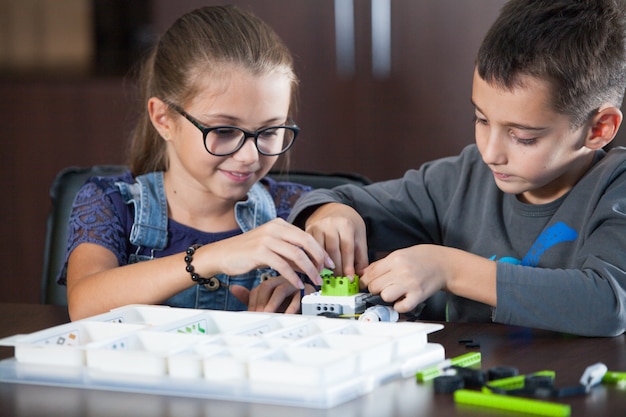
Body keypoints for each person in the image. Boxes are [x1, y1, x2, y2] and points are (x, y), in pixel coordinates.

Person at [287, 0, 626, 337]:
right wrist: (329, 214)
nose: (490, 152)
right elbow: (337, 198)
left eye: (523, 137)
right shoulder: (459, 181)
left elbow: (608, 303)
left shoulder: (616, 185)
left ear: (598, 129)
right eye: (481, 119)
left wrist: (448, 268)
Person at [58, 5, 333, 321]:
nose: (250, 156)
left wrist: (309, 292)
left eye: (270, 131)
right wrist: (212, 257)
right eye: (225, 131)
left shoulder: (297, 209)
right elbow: (85, 304)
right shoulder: (112, 204)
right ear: (163, 119)